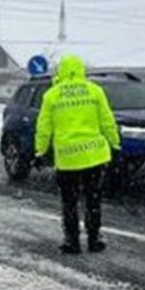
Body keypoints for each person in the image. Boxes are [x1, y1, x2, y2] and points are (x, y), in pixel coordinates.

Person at [34, 54, 120, 254]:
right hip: (94, 156)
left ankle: (72, 241)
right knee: (93, 199)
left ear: (60, 72)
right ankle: (94, 238)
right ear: (81, 70)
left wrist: (40, 151)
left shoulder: (52, 95)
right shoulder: (95, 91)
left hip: (68, 158)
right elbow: (107, 121)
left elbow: (44, 127)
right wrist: (115, 144)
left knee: (70, 201)